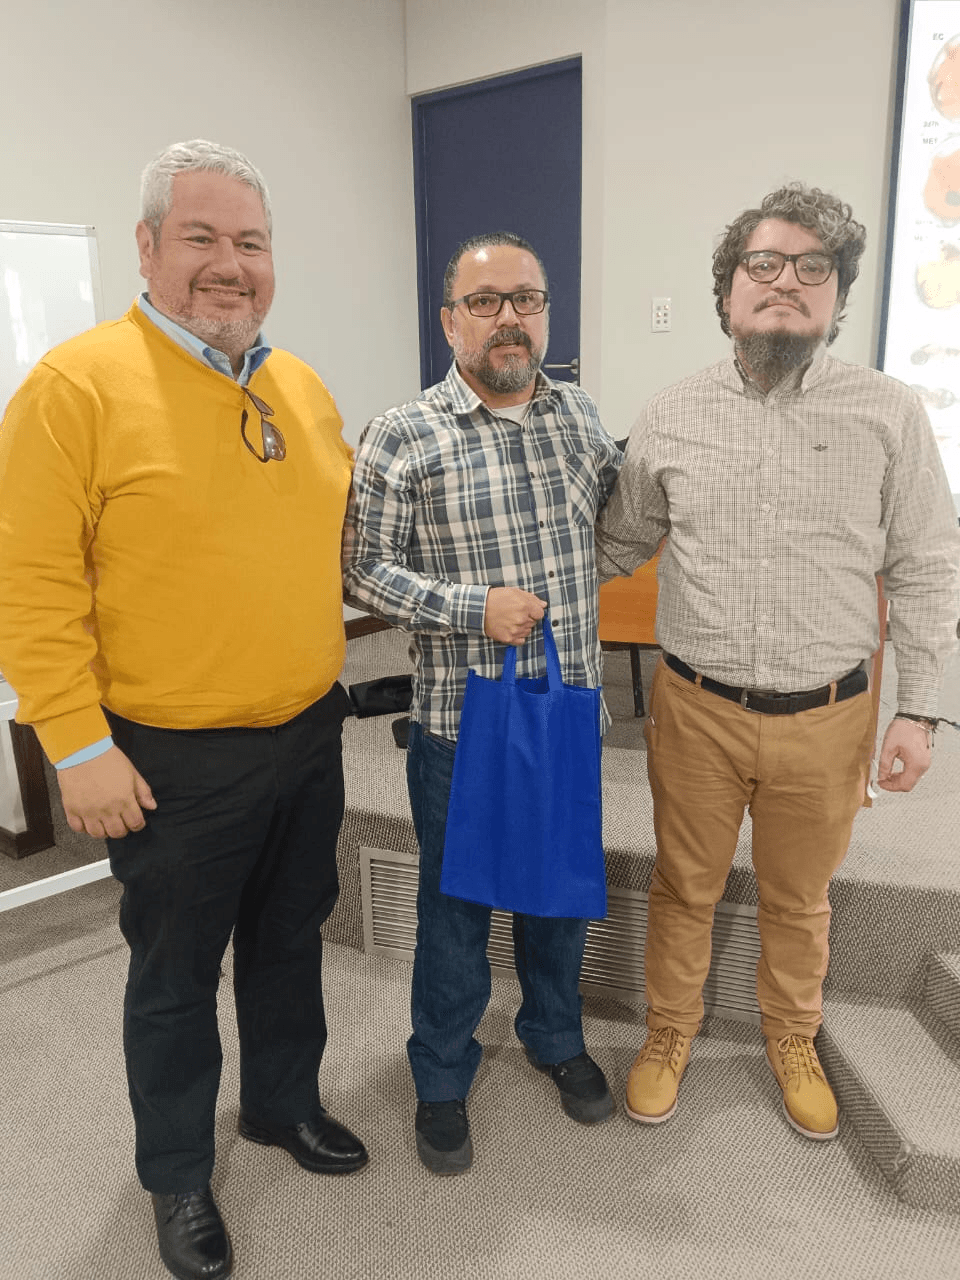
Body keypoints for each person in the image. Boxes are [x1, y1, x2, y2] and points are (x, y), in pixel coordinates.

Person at [0, 140, 367, 1280]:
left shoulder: (299, 386)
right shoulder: (76, 386)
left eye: (250, 242)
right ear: (148, 246)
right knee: (174, 974)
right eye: (201, 237)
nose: (229, 263)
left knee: (290, 936)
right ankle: (175, 1172)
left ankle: (281, 1104)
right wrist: (76, 743)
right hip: (168, 758)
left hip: (305, 732)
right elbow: (30, 584)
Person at [595, 182, 960, 1143]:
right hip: (696, 710)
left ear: (838, 296)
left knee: (799, 899)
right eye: (763, 264)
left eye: (812, 267)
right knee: (684, 886)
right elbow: (618, 542)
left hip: (828, 717)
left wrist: (919, 708)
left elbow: (928, 565)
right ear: (727, 292)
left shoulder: (889, 413)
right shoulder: (671, 412)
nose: (786, 282)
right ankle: (669, 1032)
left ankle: (792, 1038)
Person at [343, 231, 621, 1174]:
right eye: (486, 301)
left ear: (546, 313)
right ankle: (440, 1069)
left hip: (568, 707)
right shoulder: (404, 433)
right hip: (462, 721)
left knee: (559, 892)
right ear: (449, 321)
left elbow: (615, 522)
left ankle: (554, 1035)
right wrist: (474, 607)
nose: (509, 318)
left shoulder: (577, 414)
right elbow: (362, 571)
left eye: (526, 300)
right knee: (456, 905)